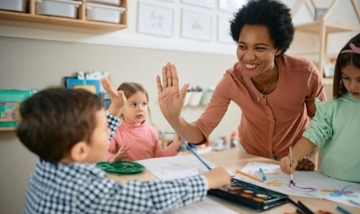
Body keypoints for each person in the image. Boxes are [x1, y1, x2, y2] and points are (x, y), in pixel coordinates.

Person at [156, 0, 326, 169]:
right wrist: (175, 118)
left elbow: (322, 121)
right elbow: (200, 132)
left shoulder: (305, 74)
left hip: (295, 158)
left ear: (278, 49)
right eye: (242, 47)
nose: (248, 56)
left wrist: (306, 155)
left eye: (259, 48)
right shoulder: (232, 80)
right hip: (251, 156)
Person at [17, 87, 231, 213]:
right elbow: (148, 197)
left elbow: (91, 145)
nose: (110, 131)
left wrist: (112, 111)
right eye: (104, 129)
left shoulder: (49, 164)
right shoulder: (81, 193)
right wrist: (207, 181)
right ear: (80, 151)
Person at [280, 33, 360, 182]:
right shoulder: (332, 108)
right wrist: (293, 157)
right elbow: (312, 137)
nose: (353, 86)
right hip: (327, 183)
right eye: (346, 78)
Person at [102, 78, 181, 161]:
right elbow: (103, 152)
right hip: (125, 174)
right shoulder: (116, 133)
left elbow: (158, 157)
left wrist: (174, 146)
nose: (140, 108)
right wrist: (111, 158)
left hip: (148, 174)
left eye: (144, 104)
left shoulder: (152, 132)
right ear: (121, 108)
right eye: (134, 104)